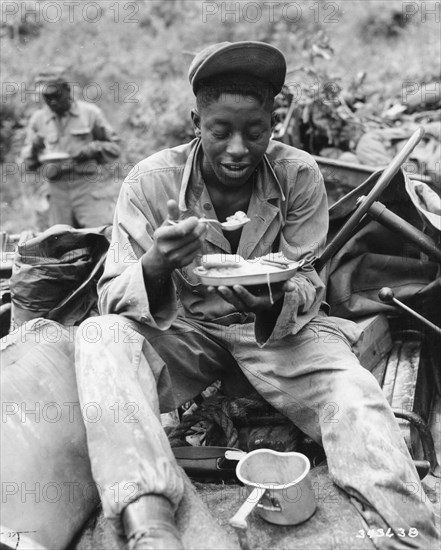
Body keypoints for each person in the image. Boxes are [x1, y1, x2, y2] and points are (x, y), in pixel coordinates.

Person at [75, 42, 439, 550]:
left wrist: (269, 301)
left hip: (278, 335)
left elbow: (309, 279)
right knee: (99, 335)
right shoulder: (149, 183)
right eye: (220, 131)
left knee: (353, 395)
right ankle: (151, 523)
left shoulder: (299, 176)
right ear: (195, 122)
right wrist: (157, 263)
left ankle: (409, 534)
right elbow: (112, 295)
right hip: (185, 331)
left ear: (274, 123)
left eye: (256, 132)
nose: (238, 149)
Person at [20, 66, 121, 228]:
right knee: (61, 242)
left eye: (55, 95)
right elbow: (28, 164)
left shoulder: (90, 113)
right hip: (56, 190)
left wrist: (94, 148)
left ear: (67, 90)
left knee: (98, 237)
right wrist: (34, 148)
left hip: (87, 186)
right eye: (46, 97)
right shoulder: (38, 120)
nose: (52, 101)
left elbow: (115, 148)